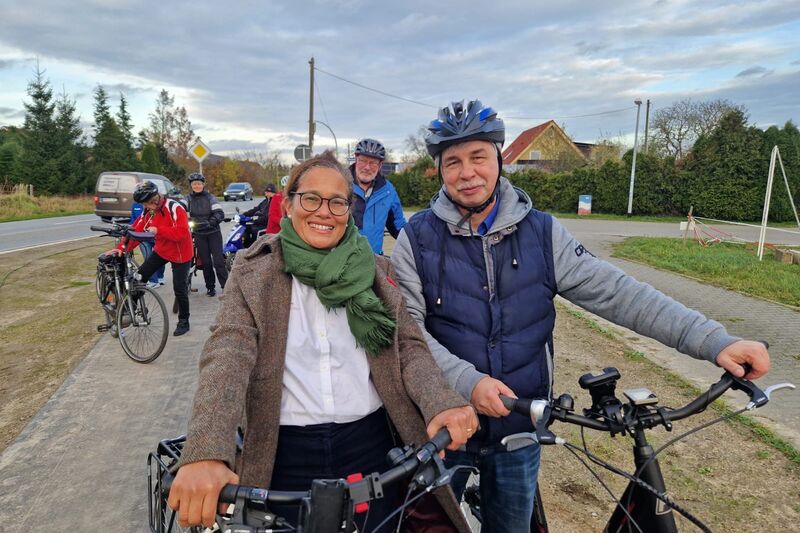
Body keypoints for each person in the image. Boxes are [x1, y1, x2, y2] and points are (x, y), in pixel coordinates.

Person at [390, 100, 771, 533]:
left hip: (519, 426)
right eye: (453, 162)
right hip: (445, 423)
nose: (467, 173)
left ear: (498, 159)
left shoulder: (542, 233)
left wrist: (714, 341)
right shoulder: (416, 239)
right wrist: (468, 383)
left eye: (478, 157)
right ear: (439, 170)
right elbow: (409, 333)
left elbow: (620, 294)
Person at [168, 152, 478, 532]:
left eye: (337, 202)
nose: (324, 212)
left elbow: (408, 348)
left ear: (349, 210)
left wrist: (441, 401)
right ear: (289, 204)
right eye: (311, 198)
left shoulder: (376, 271)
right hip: (283, 453)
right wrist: (207, 451)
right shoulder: (254, 270)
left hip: (372, 448)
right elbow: (227, 352)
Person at [107, 180, 193, 336]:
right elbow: (136, 231)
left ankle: (184, 321)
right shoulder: (148, 211)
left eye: (147, 203)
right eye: (143, 204)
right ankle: (129, 310)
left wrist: (158, 230)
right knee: (139, 277)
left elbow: (182, 233)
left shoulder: (174, 208)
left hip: (181, 253)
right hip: (162, 251)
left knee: (179, 289)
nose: (145, 207)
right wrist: (121, 248)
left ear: (155, 199)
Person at [350, 138, 406, 254]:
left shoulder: (388, 191)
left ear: (380, 165)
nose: (367, 167)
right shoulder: (340, 184)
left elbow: (399, 227)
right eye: (363, 161)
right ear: (356, 159)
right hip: (342, 260)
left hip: (373, 259)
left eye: (373, 163)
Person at [186, 172, 228, 296]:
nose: (197, 186)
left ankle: (226, 287)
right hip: (199, 233)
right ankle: (210, 287)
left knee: (218, 261)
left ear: (203, 184)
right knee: (206, 262)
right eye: (194, 184)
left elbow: (219, 213)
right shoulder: (188, 199)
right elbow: (182, 211)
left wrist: (211, 222)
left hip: (213, 232)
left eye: (199, 184)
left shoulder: (210, 197)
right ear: (191, 185)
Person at [130, 200, 165, 287]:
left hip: (156, 236)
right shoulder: (135, 205)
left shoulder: (156, 205)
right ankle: (153, 281)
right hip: (143, 238)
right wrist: (131, 228)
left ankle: (160, 277)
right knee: (148, 258)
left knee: (160, 257)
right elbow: (134, 220)